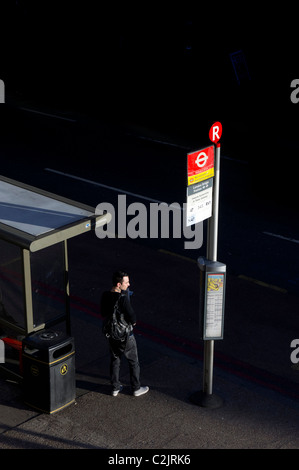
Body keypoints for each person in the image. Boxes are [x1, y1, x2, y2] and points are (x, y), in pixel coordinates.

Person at [100, 270, 149, 397]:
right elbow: (132, 317)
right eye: (126, 282)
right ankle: (136, 388)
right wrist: (132, 322)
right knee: (133, 361)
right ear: (118, 284)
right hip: (125, 335)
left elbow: (103, 312)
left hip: (111, 334)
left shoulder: (105, 295)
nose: (129, 284)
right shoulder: (122, 298)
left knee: (115, 359)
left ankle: (115, 388)